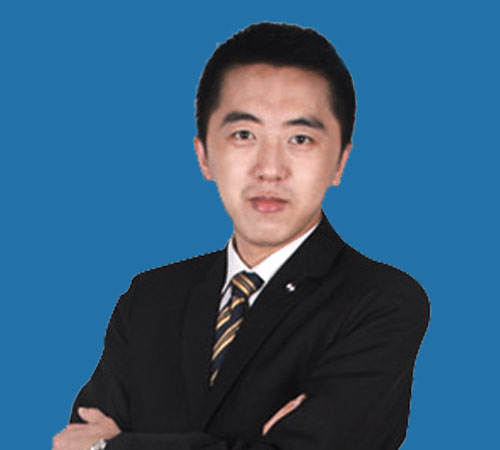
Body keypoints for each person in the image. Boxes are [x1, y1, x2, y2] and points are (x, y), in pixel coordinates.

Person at [53, 22, 430, 450]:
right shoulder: (149, 300)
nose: (270, 169)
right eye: (244, 135)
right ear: (204, 155)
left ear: (340, 161)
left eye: (300, 138)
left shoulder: (382, 302)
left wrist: (116, 445)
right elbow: (73, 442)